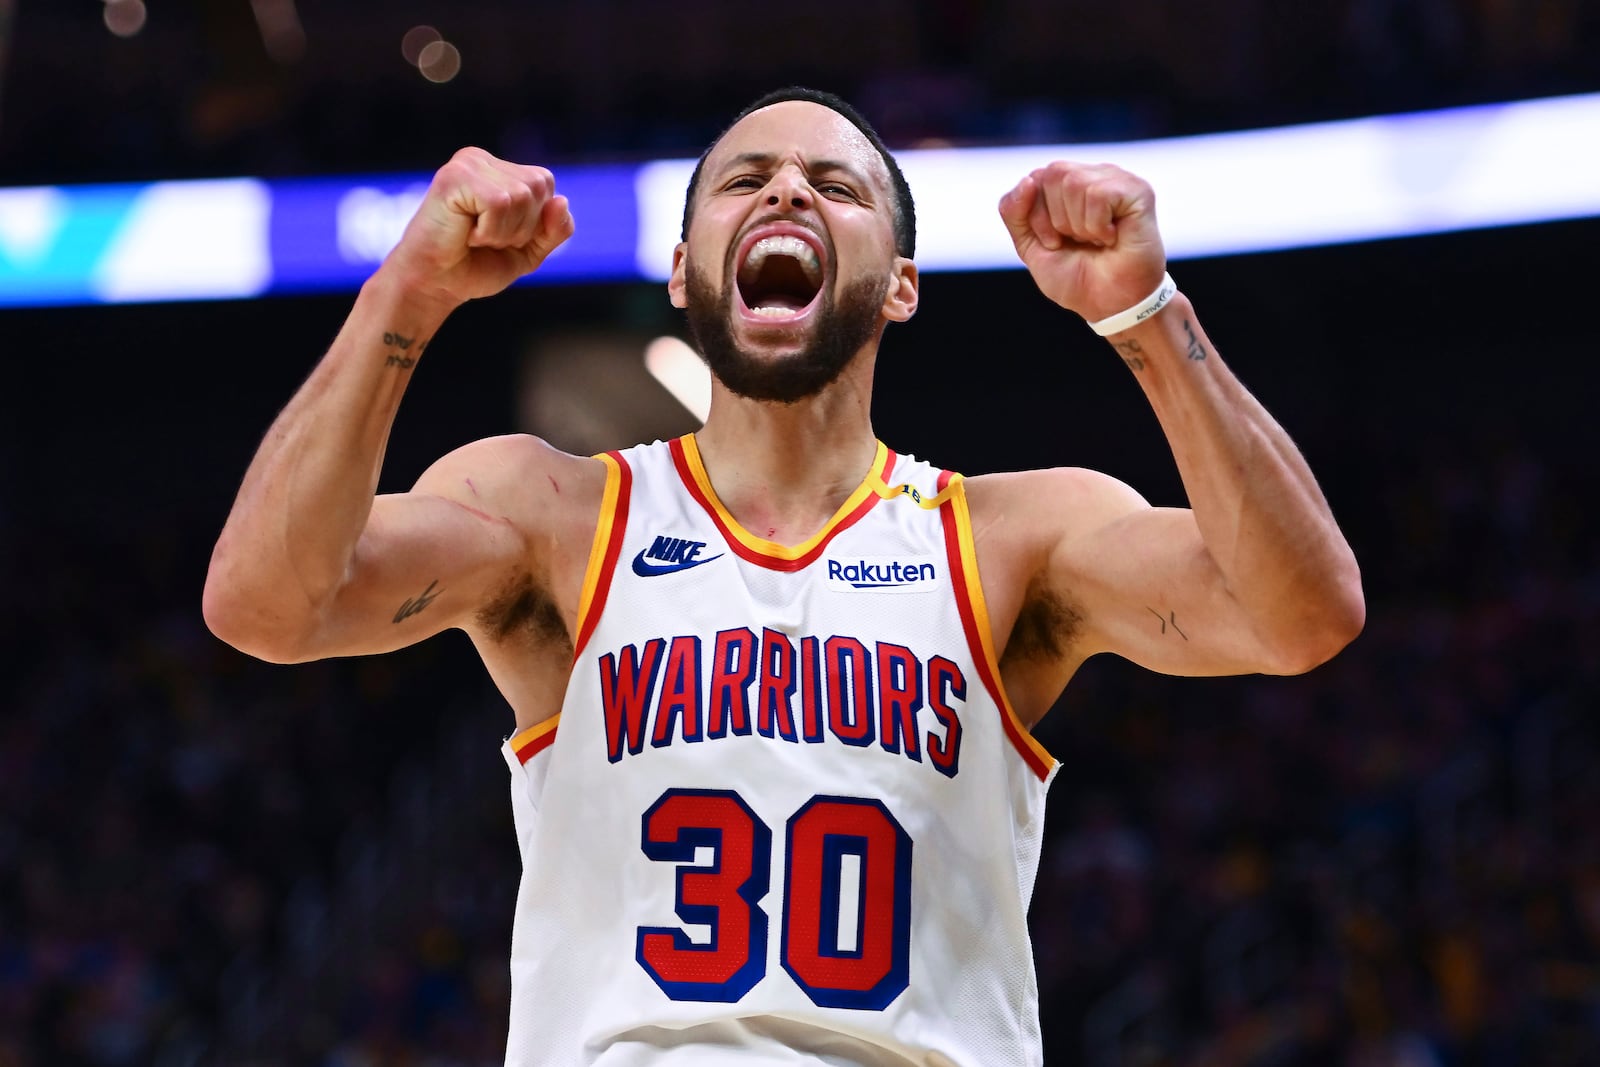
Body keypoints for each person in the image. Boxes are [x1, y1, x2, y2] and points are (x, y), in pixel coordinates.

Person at [203, 86, 1364, 1066]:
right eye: (744, 177)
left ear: (901, 284)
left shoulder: (1012, 535)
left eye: (837, 184)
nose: (788, 191)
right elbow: (265, 605)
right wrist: (405, 291)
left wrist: (1147, 316)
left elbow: (1302, 615)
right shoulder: (553, 515)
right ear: (680, 270)